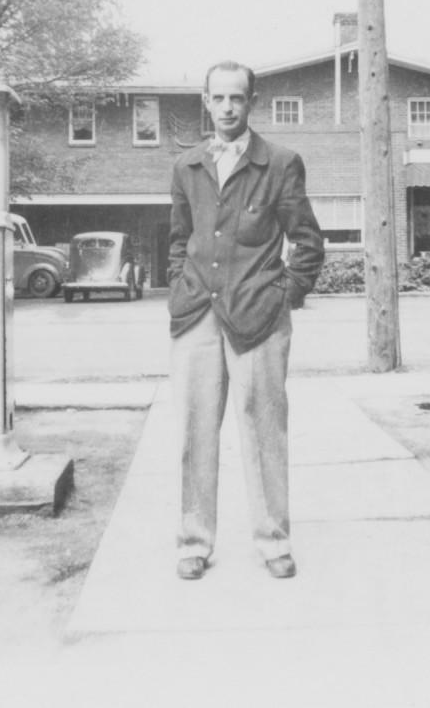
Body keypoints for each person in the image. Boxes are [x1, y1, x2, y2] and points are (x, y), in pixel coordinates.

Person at [167, 60, 324, 580]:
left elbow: (307, 242)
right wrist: (180, 287)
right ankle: (193, 542)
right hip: (196, 315)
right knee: (194, 431)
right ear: (205, 102)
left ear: (251, 102)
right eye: (219, 98)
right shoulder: (187, 165)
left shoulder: (280, 163)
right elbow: (178, 239)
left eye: (238, 98)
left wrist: (285, 296)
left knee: (264, 431)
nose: (228, 108)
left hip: (259, 317)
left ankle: (274, 540)